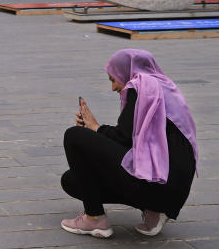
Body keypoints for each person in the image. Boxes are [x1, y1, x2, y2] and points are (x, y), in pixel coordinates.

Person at [60, 49, 198, 239]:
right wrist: (95, 131)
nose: (113, 87)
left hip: (157, 186)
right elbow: (137, 145)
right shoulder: (166, 89)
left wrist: (94, 129)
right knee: (72, 181)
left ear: (128, 71)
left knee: (74, 136)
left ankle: (94, 218)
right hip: (172, 193)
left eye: (113, 79)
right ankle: (153, 211)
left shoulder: (140, 85)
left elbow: (124, 137)